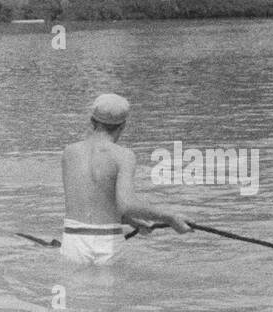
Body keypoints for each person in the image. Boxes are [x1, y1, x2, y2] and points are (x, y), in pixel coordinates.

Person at [60, 93, 191, 265]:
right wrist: (171, 217)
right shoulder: (123, 156)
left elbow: (88, 203)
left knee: (77, 292)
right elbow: (127, 204)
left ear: (92, 121)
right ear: (123, 126)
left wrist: (130, 221)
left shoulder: (69, 152)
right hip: (108, 243)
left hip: (73, 240)